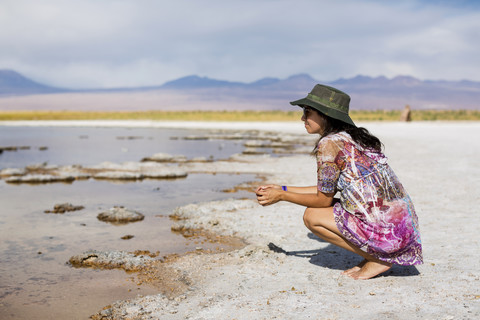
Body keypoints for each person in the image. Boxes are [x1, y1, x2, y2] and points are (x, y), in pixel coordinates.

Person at [256, 84, 423, 280]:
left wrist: (282, 196)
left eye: (307, 112)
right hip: (402, 226)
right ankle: (375, 257)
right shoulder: (353, 138)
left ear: (325, 115)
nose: (302, 118)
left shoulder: (329, 144)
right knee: (321, 209)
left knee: (312, 216)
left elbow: (323, 201)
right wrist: (282, 188)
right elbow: (327, 190)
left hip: (387, 229)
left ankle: (378, 259)